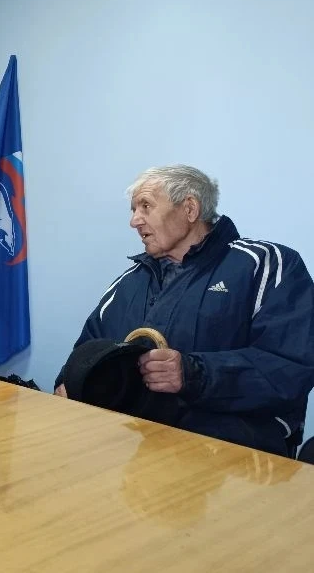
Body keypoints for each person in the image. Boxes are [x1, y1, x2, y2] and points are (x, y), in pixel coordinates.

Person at [54, 165, 314, 457]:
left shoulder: (265, 264)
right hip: (135, 452)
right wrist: (69, 382)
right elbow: (88, 351)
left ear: (189, 209)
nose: (134, 221)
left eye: (145, 206)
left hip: (236, 458)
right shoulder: (128, 283)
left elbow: (292, 366)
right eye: (133, 209)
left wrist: (193, 373)